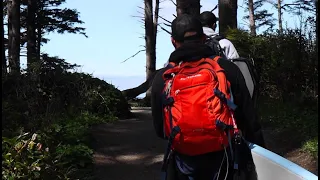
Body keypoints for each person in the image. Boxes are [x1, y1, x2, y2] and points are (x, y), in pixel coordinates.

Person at [151, 14, 265, 180]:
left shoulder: (164, 77)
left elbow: (161, 130)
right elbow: (249, 118)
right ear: (204, 38)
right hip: (223, 158)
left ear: (173, 41)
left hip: (183, 161)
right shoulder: (225, 68)